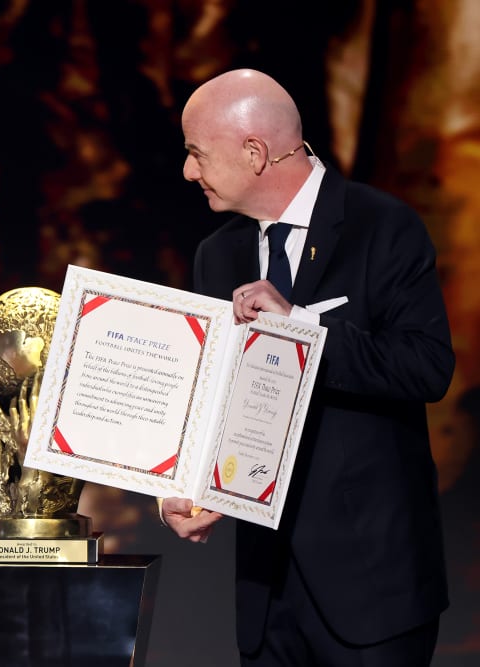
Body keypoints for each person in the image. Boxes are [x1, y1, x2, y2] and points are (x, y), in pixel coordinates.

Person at [160, 68, 454, 666]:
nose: (188, 171)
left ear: (254, 152)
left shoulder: (383, 226)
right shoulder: (217, 256)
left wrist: (302, 330)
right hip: (266, 597)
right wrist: (185, 482)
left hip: (373, 590)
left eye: (196, 153)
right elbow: (214, 396)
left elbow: (426, 368)